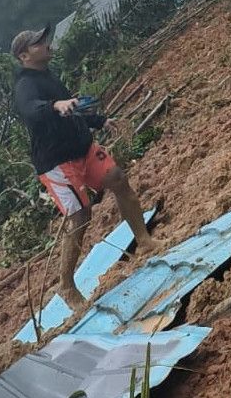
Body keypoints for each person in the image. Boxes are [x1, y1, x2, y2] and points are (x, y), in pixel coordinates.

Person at [10, 24, 157, 306]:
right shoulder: (26, 85)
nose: (46, 43)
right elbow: (33, 111)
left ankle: (144, 240)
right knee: (80, 217)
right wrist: (54, 106)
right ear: (23, 55)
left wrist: (99, 121)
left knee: (118, 178)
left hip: (82, 147)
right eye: (38, 43)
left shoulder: (49, 76)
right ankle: (66, 286)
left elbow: (70, 110)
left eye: (44, 39)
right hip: (57, 162)